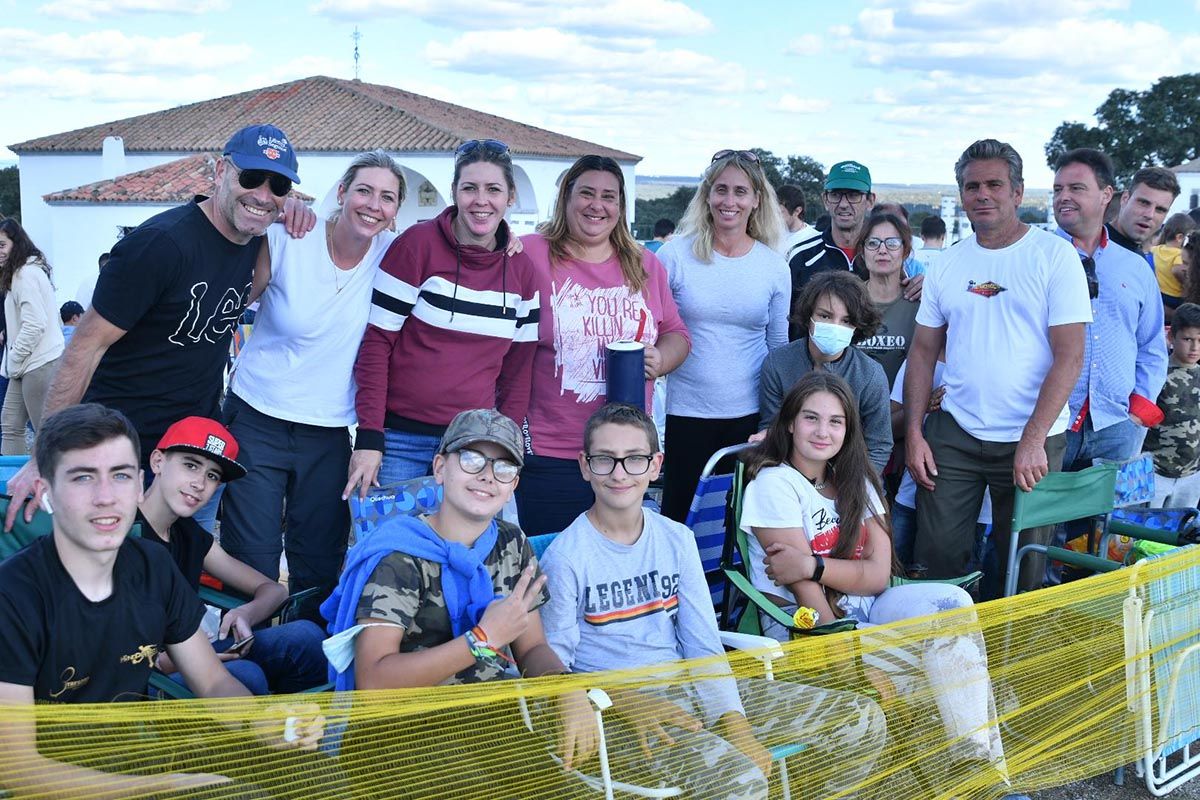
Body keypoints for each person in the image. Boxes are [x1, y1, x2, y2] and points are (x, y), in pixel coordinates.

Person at [539, 402, 886, 799]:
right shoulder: (567, 557)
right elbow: (554, 667)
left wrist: (733, 721)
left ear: (656, 465)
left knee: (860, 719)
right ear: (585, 466)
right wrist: (622, 698)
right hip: (615, 712)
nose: (619, 473)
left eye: (634, 459)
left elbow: (703, 642)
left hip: (690, 688)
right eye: (605, 460)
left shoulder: (676, 539)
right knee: (742, 781)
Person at [0, 403, 327, 798]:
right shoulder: (14, 596)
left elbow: (213, 682)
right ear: (47, 490)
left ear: (139, 484)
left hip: (138, 759)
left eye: (119, 476)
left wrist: (266, 720)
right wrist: (164, 788)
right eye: (83, 477)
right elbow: (18, 770)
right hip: (64, 783)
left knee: (317, 775)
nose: (106, 497)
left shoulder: (155, 565)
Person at [4, 123, 306, 533]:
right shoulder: (160, 245)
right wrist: (44, 456)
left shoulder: (252, 238)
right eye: (251, 178)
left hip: (191, 454)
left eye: (279, 186)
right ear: (220, 172)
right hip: (120, 456)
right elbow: (84, 348)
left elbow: (258, 283)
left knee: (176, 583)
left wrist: (287, 214)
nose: (263, 194)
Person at [740, 374, 1019, 798]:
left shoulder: (857, 479)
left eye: (836, 422)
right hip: (812, 630)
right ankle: (989, 784)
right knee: (956, 655)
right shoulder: (774, 484)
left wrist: (813, 564)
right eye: (811, 418)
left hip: (871, 609)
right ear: (790, 423)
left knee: (955, 603)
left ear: (849, 430)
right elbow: (804, 592)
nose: (822, 431)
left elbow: (877, 575)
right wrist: (851, 668)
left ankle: (976, 767)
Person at [321, 408, 595, 798]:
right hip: (399, 734)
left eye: (503, 467)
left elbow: (532, 647)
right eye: (471, 459)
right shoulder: (399, 556)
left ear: (513, 483)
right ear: (440, 468)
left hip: (488, 721)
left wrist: (566, 687)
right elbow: (375, 683)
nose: (486, 475)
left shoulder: (512, 544)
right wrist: (482, 640)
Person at [220, 149, 405, 623]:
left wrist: (507, 242)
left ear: (396, 211)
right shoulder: (290, 238)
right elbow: (230, 304)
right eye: (364, 190)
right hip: (257, 416)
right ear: (341, 193)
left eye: (387, 197)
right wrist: (282, 208)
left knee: (319, 563)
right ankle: (245, 665)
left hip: (329, 429)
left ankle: (302, 668)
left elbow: (462, 233)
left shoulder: (395, 256)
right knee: (252, 556)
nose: (373, 204)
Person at [905, 139, 1091, 599]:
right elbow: (924, 351)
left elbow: (1070, 355)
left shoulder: (1054, 256)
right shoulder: (950, 262)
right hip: (956, 433)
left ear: (1018, 191)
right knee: (938, 563)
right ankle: (942, 659)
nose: (982, 194)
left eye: (994, 184)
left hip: (1034, 437)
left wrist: (1033, 438)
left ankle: (1011, 664)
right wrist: (914, 433)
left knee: (1022, 569)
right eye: (972, 186)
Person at [348, 139, 539, 490]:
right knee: (391, 545)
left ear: (510, 196)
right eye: (469, 188)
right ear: (453, 191)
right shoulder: (416, 246)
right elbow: (377, 345)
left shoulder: (523, 270)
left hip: (473, 448)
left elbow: (518, 371)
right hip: (398, 443)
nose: (481, 201)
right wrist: (370, 437)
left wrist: (505, 447)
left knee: (467, 545)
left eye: (493, 189)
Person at [517, 155, 690, 536]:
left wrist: (660, 359)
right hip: (551, 449)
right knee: (551, 568)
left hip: (626, 456)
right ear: (566, 198)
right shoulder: (530, 254)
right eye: (587, 193)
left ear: (621, 206)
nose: (597, 205)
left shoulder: (645, 264)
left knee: (616, 568)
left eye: (609, 196)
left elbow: (678, 333)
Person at [138, 415, 329, 695]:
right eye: (190, 465)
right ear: (158, 461)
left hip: (194, 655)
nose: (199, 483)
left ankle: (298, 729)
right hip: (144, 678)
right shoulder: (123, 534)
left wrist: (245, 613)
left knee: (306, 636)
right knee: (245, 674)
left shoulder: (188, 535)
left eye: (212, 475)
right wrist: (194, 662)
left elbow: (274, 590)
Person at [657, 149, 790, 522]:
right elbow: (656, 330)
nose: (729, 201)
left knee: (737, 526)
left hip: (748, 420)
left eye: (740, 192)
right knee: (681, 520)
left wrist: (774, 421)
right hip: (684, 413)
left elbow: (777, 348)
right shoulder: (674, 256)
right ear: (707, 195)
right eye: (721, 190)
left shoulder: (774, 267)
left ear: (756, 200)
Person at [1052, 148, 1166, 476]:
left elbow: (1151, 347)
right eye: (1058, 189)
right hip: (1050, 427)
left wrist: (1136, 416)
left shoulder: (1136, 267)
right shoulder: (1037, 258)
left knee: (1104, 528)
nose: (1064, 197)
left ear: (1106, 195)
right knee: (1039, 527)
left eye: (1076, 188)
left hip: (1117, 427)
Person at [757, 270, 893, 474]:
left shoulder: (870, 374)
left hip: (851, 479)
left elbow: (879, 445)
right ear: (809, 315)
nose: (834, 326)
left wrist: (855, 487)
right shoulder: (778, 364)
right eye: (825, 316)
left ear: (857, 326)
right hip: (790, 476)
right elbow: (771, 426)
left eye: (846, 321)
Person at [787, 162, 920, 339]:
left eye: (853, 195)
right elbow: (791, 326)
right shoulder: (802, 257)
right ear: (825, 200)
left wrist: (923, 288)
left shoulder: (885, 257)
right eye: (836, 195)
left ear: (870, 200)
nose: (843, 204)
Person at [0, 218, 64, 455]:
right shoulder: (24, 272)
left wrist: (15, 357)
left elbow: (36, 324)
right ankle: (11, 488)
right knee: (10, 425)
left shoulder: (24, 274)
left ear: (17, 244)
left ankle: (51, 488)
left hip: (37, 364)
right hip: (27, 364)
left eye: (2, 245)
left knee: (45, 434)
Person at [1142, 302, 1200, 508]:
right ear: (1171, 337)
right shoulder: (1156, 374)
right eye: (1188, 339)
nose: (1195, 347)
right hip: (1155, 471)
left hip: (1192, 475)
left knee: (1182, 533)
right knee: (1145, 532)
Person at [856, 210, 920, 387]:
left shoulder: (921, 302)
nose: (882, 250)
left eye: (892, 243)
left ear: (905, 251)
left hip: (904, 410)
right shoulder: (847, 300)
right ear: (862, 251)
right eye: (873, 243)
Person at [1108, 166, 1181, 263]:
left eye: (1160, 209)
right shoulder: (1088, 247)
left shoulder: (1141, 262)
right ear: (1125, 198)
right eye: (1144, 203)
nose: (1150, 215)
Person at [1151, 213, 1197, 319]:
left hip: (1161, 294)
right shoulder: (1178, 253)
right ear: (1180, 237)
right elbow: (1176, 270)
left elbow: (1148, 250)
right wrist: (1185, 283)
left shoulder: (1158, 249)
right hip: (1175, 296)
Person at [776, 183, 818, 262]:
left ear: (797, 211)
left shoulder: (813, 240)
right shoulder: (772, 234)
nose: (775, 217)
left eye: (780, 213)